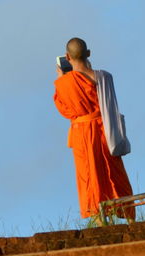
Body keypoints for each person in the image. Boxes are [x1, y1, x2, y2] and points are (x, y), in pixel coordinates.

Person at [53, 37, 135, 225]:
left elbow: (64, 110)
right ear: (88, 53)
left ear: (67, 57)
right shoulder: (104, 77)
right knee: (114, 172)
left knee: (90, 177)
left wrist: (62, 79)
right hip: (105, 131)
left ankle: (101, 221)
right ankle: (130, 218)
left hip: (82, 134)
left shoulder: (64, 84)